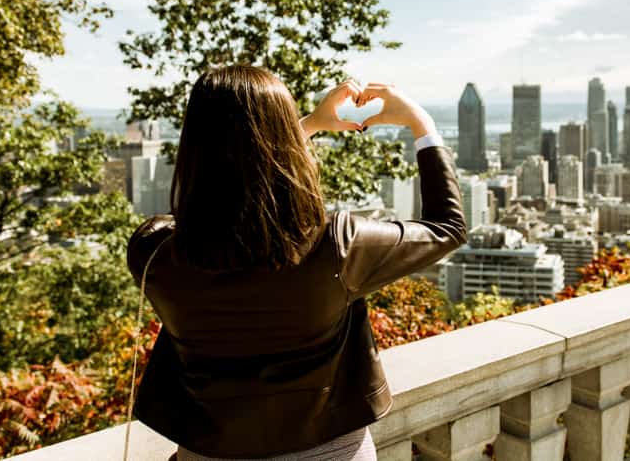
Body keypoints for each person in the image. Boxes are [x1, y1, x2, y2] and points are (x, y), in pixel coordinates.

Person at [126, 65, 466, 460]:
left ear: (193, 145)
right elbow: (447, 226)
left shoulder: (154, 254)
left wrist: (307, 125)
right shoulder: (337, 247)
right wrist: (419, 122)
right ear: (282, 136)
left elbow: (207, 215)